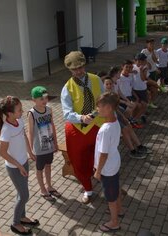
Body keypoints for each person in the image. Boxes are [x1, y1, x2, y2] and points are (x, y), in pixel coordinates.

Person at [60, 51, 105, 204]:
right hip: (78, 130)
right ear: (70, 70)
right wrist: (81, 118)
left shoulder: (96, 79)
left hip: (98, 125)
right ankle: (87, 188)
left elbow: (104, 98)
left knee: (100, 155)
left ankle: (101, 177)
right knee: (79, 161)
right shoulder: (67, 88)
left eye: (80, 67)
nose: (78, 71)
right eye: (75, 69)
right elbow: (67, 114)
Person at [0, 96, 39, 235]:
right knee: (24, 195)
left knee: (21, 192)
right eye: (19, 110)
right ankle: (15, 223)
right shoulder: (6, 130)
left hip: (24, 162)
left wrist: (30, 152)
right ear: (9, 113)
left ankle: (22, 217)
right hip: (14, 168)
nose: (22, 111)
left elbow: (23, 136)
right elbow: (3, 153)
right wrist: (19, 166)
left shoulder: (19, 121)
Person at [93, 92, 122, 232]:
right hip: (114, 162)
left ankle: (114, 222)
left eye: (99, 106)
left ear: (109, 108)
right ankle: (119, 210)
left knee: (110, 196)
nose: (97, 109)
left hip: (107, 167)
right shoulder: (115, 120)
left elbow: (103, 154)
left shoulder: (105, 129)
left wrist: (98, 171)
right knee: (116, 187)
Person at [103, 77, 151, 159]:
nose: (109, 85)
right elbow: (114, 109)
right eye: (107, 84)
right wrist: (123, 117)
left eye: (110, 84)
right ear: (103, 85)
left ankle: (139, 146)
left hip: (117, 113)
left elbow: (117, 107)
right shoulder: (104, 96)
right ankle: (132, 151)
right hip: (112, 116)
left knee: (128, 126)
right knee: (125, 129)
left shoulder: (112, 94)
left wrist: (124, 115)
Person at [28, 86, 60, 202]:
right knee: (39, 168)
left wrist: (55, 143)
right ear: (34, 100)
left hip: (49, 145)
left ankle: (49, 186)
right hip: (39, 148)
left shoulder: (49, 110)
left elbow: (52, 126)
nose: (44, 101)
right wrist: (30, 150)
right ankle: (42, 189)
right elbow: (30, 132)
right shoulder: (32, 114)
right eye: (41, 99)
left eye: (45, 98)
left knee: (48, 165)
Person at [117, 60, 145, 128]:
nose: (128, 69)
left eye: (130, 67)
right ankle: (128, 122)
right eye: (126, 67)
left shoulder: (130, 76)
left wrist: (136, 97)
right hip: (123, 98)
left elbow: (131, 88)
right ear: (122, 67)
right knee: (134, 106)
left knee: (142, 105)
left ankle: (133, 120)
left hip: (130, 96)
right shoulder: (119, 78)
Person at [141, 39, 161, 108]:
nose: (152, 45)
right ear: (147, 44)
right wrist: (147, 62)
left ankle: (151, 102)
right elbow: (141, 59)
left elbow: (156, 61)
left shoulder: (155, 51)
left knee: (154, 88)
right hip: (145, 73)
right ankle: (146, 102)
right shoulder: (144, 51)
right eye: (150, 44)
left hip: (153, 72)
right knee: (147, 88)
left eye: (153, 44)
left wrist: (152, 52)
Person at [132, 53, 149, 123]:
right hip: (134, 89)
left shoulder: (145, 68)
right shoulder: (133, 66)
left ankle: (137, 117)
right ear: (136, 61)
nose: (140, 63)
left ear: (144, 61)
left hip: (142, 90)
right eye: (138, 61)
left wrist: (141, 70)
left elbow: (143, 79)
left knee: (144, 105)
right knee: (137, 105)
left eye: (141, 61)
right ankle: (134, 118)